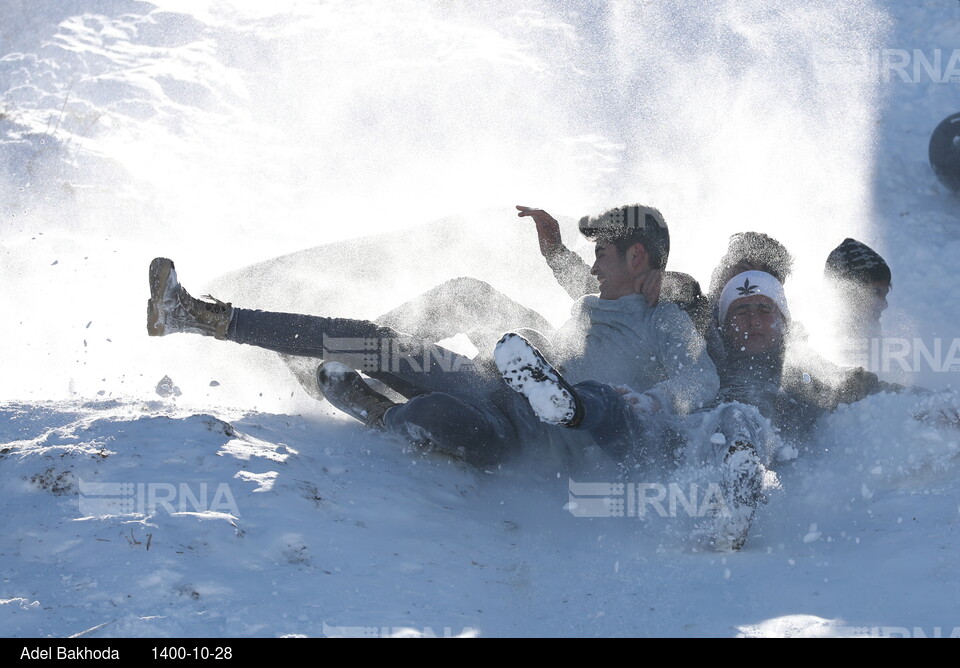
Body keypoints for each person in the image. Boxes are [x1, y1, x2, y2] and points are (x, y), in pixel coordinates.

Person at [147, 204, 718, 472]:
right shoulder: (601, 302)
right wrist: (551, 250)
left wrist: (647, 401)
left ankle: (372, 407)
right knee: (378, 340)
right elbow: (585, 286)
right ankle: (200, 316)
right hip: (498, 381)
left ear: (636, 255)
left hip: (527, 429)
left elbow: (703, 378)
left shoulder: (665, 318)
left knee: (443, 413)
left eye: (602, 252)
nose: (591, 266)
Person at [823, 237, 892, 367]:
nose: (884, 305)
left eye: (885, 294)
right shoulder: (813, 346)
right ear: (846, 293)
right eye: (876, 293)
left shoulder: (875, 343)